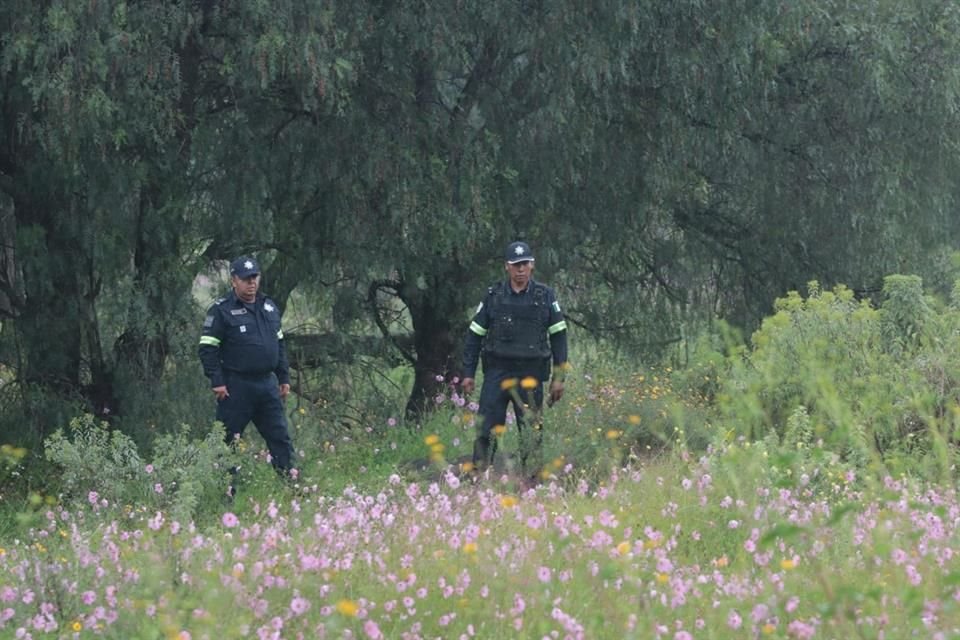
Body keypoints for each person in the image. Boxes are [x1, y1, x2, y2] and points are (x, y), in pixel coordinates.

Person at [461, 241, 569, 481]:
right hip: (497, 373)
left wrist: (558, 378)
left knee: (531, 429)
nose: (520, 269)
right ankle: (478, 475)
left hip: (530, 374)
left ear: (532, 266)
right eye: (515, 265)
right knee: (486, 427)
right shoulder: (493, 296)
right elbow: (475, 335)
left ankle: (533, 480)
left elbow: (559, 337)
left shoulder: (545, 296)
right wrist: (468, 373)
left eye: (525, 264)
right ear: (506, 268)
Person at [198, 256, 296, 484]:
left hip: (267, 385)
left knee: (279, 437)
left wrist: (283, 377)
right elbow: (207, 349)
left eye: (255, 278)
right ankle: (226, 491)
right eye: (246, 279)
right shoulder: (221, 310)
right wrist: (217, 380)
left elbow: (279, 344)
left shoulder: (268, 306)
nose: (251, 283)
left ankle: (291, 484)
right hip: (236, 387)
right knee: (228, 441)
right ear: (234, 281)